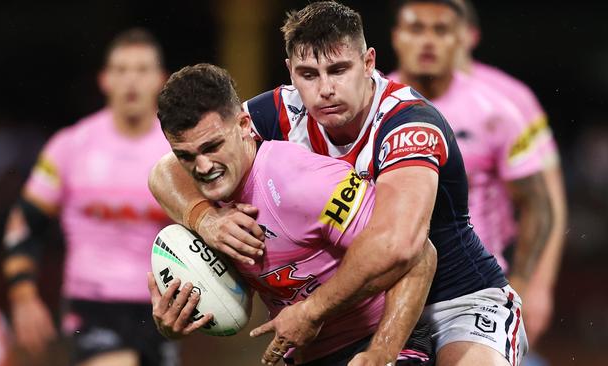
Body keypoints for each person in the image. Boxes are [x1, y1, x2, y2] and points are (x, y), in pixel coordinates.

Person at [148, 2, 526, 365]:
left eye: (339, 70)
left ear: (368, 63)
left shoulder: (408, 124)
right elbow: (168, 169)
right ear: (291, 72)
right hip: (367, 305)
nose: (325, 89)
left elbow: (403, 246)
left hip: (457, 299)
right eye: (309, 75)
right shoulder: (283, 110)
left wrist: (320, 315)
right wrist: (205, 221)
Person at [149, 63, 437, 365]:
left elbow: (420, 255)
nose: (203, 167)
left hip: (377, 338)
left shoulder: (300, 183)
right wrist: (177, 320)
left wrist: (382, 351)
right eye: (186, 155)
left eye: (213, 147)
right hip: (305, 354)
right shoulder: (206, 204)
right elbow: (160, 172)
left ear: (245, 125)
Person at [387, 0, 567, 353]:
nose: (428, 42)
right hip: (388, 292)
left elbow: (541, 204)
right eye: (416, 29)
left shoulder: (499, 109)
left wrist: (527, 283)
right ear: (396, 38)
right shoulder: (370, 105)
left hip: (475, 289)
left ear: (461, 39)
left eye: (440, 31)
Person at [2, 28, 177, 366]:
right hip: (92, 303)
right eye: (121, 70)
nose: (131, 81)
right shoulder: (70, 146)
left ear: (160, 79)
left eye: (142, 70)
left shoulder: (179, 152)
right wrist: (23, 296)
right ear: (104, 80)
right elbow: (24, 223)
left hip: (162, 307)